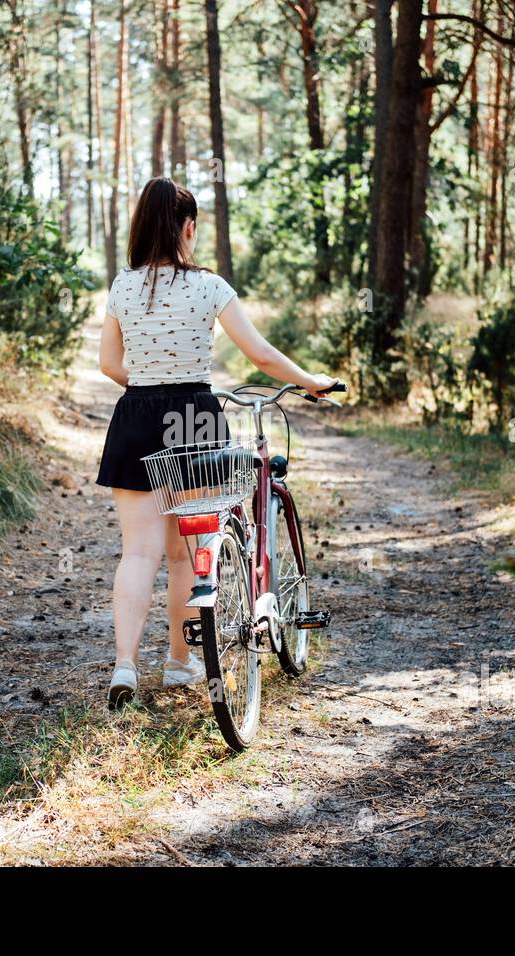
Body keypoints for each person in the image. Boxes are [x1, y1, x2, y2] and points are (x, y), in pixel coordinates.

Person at [95, 177, 337, 707]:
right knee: (185, 555)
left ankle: (125, 666)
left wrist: (146, 390)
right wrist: (310, 381)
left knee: (137, 553)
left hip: (135, 416)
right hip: (193, 419)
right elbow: (262, 356)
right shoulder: (209, 287)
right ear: (187, 227)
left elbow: (110, 364)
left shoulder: (122, 286)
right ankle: (180, 664)